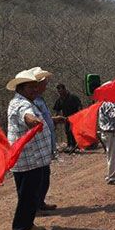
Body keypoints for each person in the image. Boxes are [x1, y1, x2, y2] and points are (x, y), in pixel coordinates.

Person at [6, 69, 54, 230]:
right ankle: (21, 229)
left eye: (36, 86)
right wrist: (32, 120)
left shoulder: (28, 101)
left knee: (32, 193)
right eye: (31, 87)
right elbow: (26, 115)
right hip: (27, 161)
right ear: (20, 88)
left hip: (35, 160)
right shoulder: (20, 104)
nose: (35, 89)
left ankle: (28, 223)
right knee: (27, 195)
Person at [31, 67, 65, 212]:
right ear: (36, 85)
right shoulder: (32, 102)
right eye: (44, 83)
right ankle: (35, 206)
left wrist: (54, 120)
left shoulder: (40, 99)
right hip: (37, 146)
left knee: (44, 175)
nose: (46, 85)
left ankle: (40, 202)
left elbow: (43, 119)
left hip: (45, 143)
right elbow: (34, 121)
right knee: (39, 177)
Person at [53, 83, 82, 152]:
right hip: (66, 118)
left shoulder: (73, 97)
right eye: (58, 91)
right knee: (68, 132)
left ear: (64, 89)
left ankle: (75, 146)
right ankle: (70, 145)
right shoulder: (60, 100)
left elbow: (80, 106)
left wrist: (80, 116)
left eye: (61, 90)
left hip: (75, 117)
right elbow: (57, 109)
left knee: (73, 131)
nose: (60, 93)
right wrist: (55, 120)